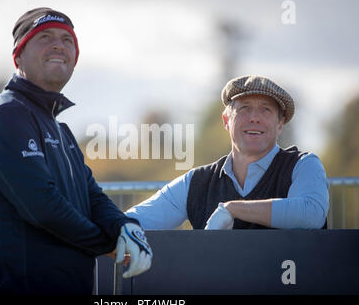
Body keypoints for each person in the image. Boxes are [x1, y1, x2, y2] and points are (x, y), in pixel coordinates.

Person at [0, 7, 152, 295]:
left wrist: (124, 225)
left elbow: (91, 196)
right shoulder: (5, 116)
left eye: (67, 40)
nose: (58, 45)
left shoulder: (59, 129)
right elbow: (42, 207)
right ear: (18, 55)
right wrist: (109, 245)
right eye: (45, 37)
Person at [126, 75, 329, 230]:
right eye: (244, 108)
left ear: (280, 125)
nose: (254, 118)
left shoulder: (303, 165)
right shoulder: (197, 182)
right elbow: (137, 221)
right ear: (226, 121)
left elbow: (311, 214)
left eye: (266, 109)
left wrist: (233, 209)